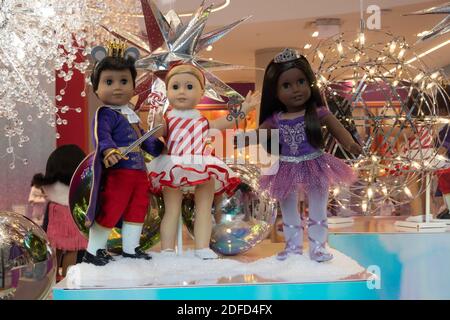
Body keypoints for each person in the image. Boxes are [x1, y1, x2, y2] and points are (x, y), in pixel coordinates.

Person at [258, 48, 362, 262]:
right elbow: (258, 134)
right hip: (285, 166)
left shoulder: (319, 113)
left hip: (315, 162)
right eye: (286, 85)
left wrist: (351, 144)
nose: (296, 89)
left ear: (310, 83)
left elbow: (338, 129)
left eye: (301, 82)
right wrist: (241, 138)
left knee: (318, 205)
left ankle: (318, 246)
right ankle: (293, 246)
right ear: (274, 92)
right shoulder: (276, 118)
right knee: (287, 207)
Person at [149, 63, 260, 259]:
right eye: (175, 87)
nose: (182, 91)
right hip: (173, 165)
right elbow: (158, 132)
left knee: (204, 208)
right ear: (167, 91)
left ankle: (202, 247)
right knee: (171, 210)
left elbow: (225, 121)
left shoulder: (202, 120)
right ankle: (167, 249)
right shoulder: (168, 118)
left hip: (202, 165)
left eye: (189, 86)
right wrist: (157, 120)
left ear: (202, 93)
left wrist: (245, 108)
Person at [83, 42, 164, 266]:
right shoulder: (106, 114)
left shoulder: (133, 115)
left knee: (137, 209)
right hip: (119, 173)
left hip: (139, 174)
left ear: (133, 86)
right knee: (111, 208)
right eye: (109, 82)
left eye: (124, 81)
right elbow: (103, 136)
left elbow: (145, 140)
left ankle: (131, 248)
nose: (117, 87)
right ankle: (94, 250)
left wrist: (159, 145)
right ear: (96, 88)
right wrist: (109, 150)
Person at [32, 144, 88, 280]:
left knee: (54, 248)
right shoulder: (78, 183)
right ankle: (68, 278)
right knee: (72, 250)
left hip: (55, 213)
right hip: (72, 214)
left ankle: (53, 276)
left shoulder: (48, 183)